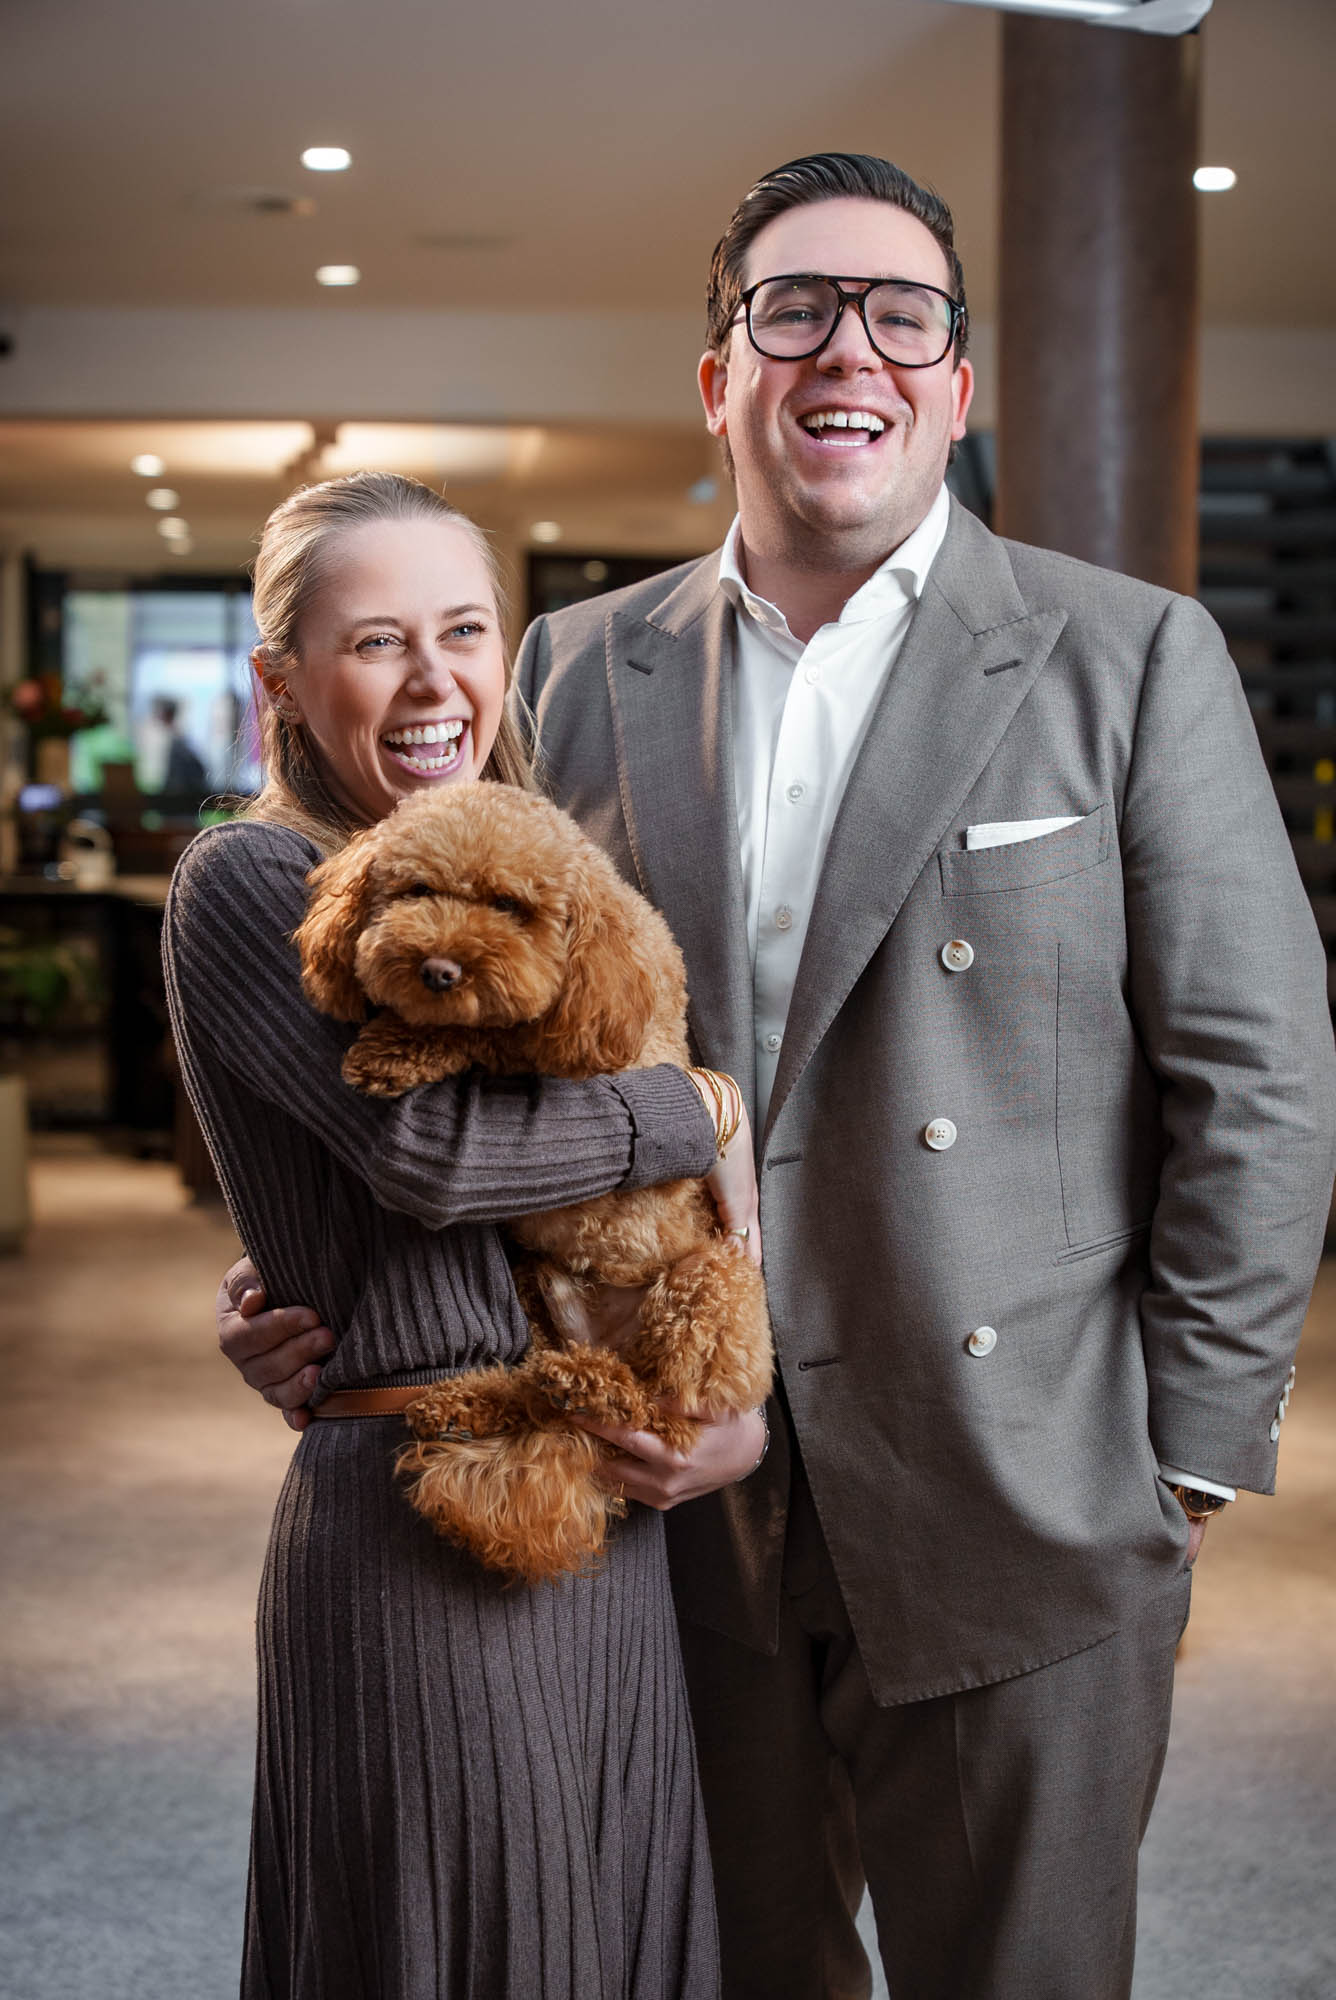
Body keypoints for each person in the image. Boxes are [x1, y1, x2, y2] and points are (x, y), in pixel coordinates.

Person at [217, 158, 1336, 1999]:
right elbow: (475, 1047)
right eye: (794, 309)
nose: (850, 351)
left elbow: (1260, 1075)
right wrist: (320, 1285)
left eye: (904, 315)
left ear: (955, 385)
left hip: (1019, 1496)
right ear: (720, 376)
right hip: (663, 1510)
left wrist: (1185, 1463)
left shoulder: (1131, 654)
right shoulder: (570, 669)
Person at [169, 469, 768, 2000]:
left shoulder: (545, 870)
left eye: (463, 629)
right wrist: (700, 1109)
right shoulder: (251, 878)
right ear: (282, 682)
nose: (434, 680)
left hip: (608, 1508)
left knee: (614, 1936)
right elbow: (435, 1155)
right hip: (413, 1525)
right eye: (376, 642)